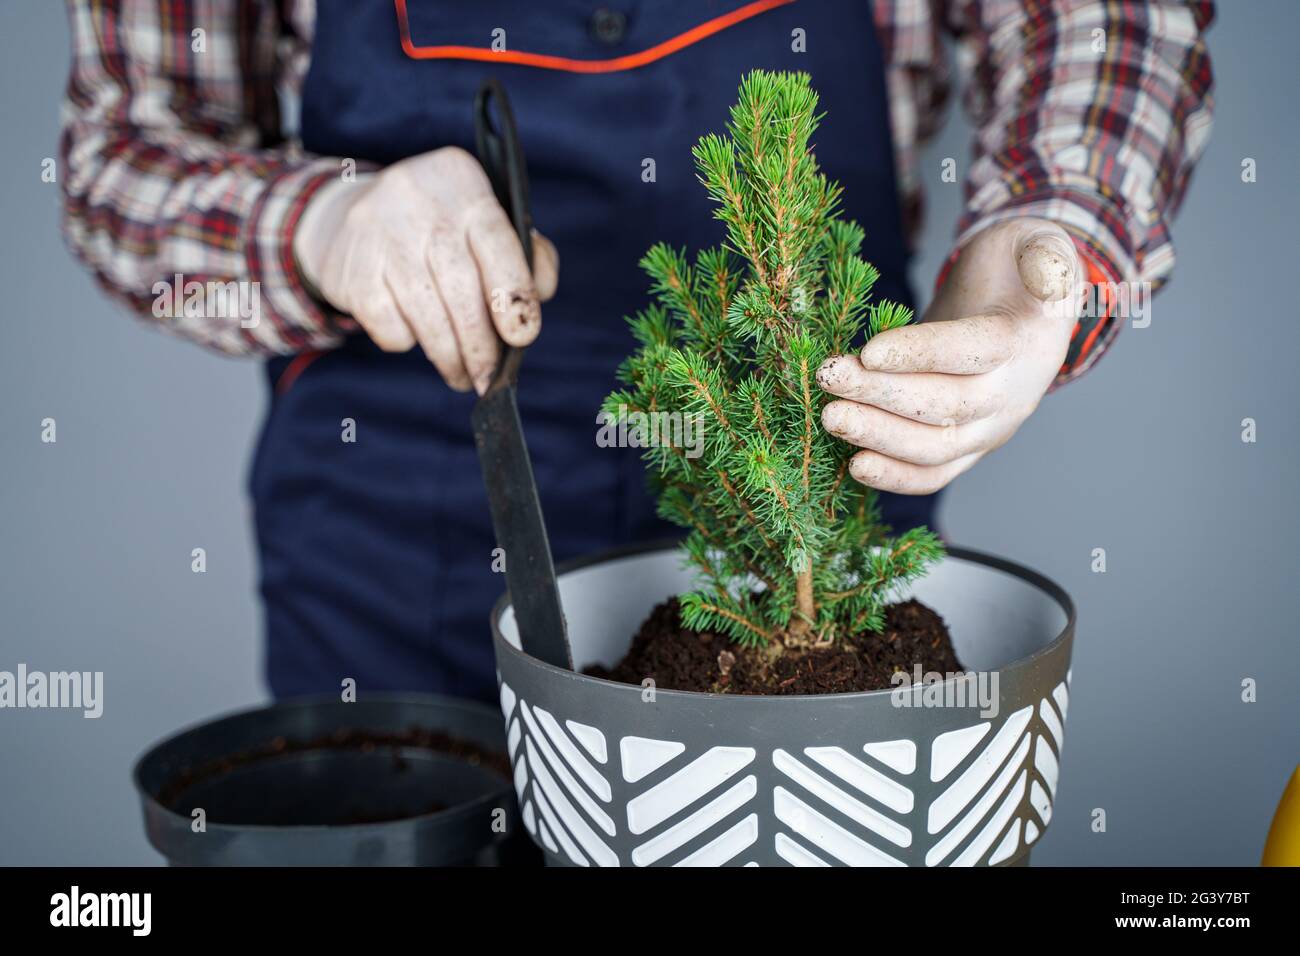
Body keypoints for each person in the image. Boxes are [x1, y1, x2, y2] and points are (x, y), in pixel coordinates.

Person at [59, 1, 1214, 702]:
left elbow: (1102, 17)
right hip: (397, 508)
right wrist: (323, 223)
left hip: (809, 434)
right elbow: (123, 146)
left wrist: (1047, 236)